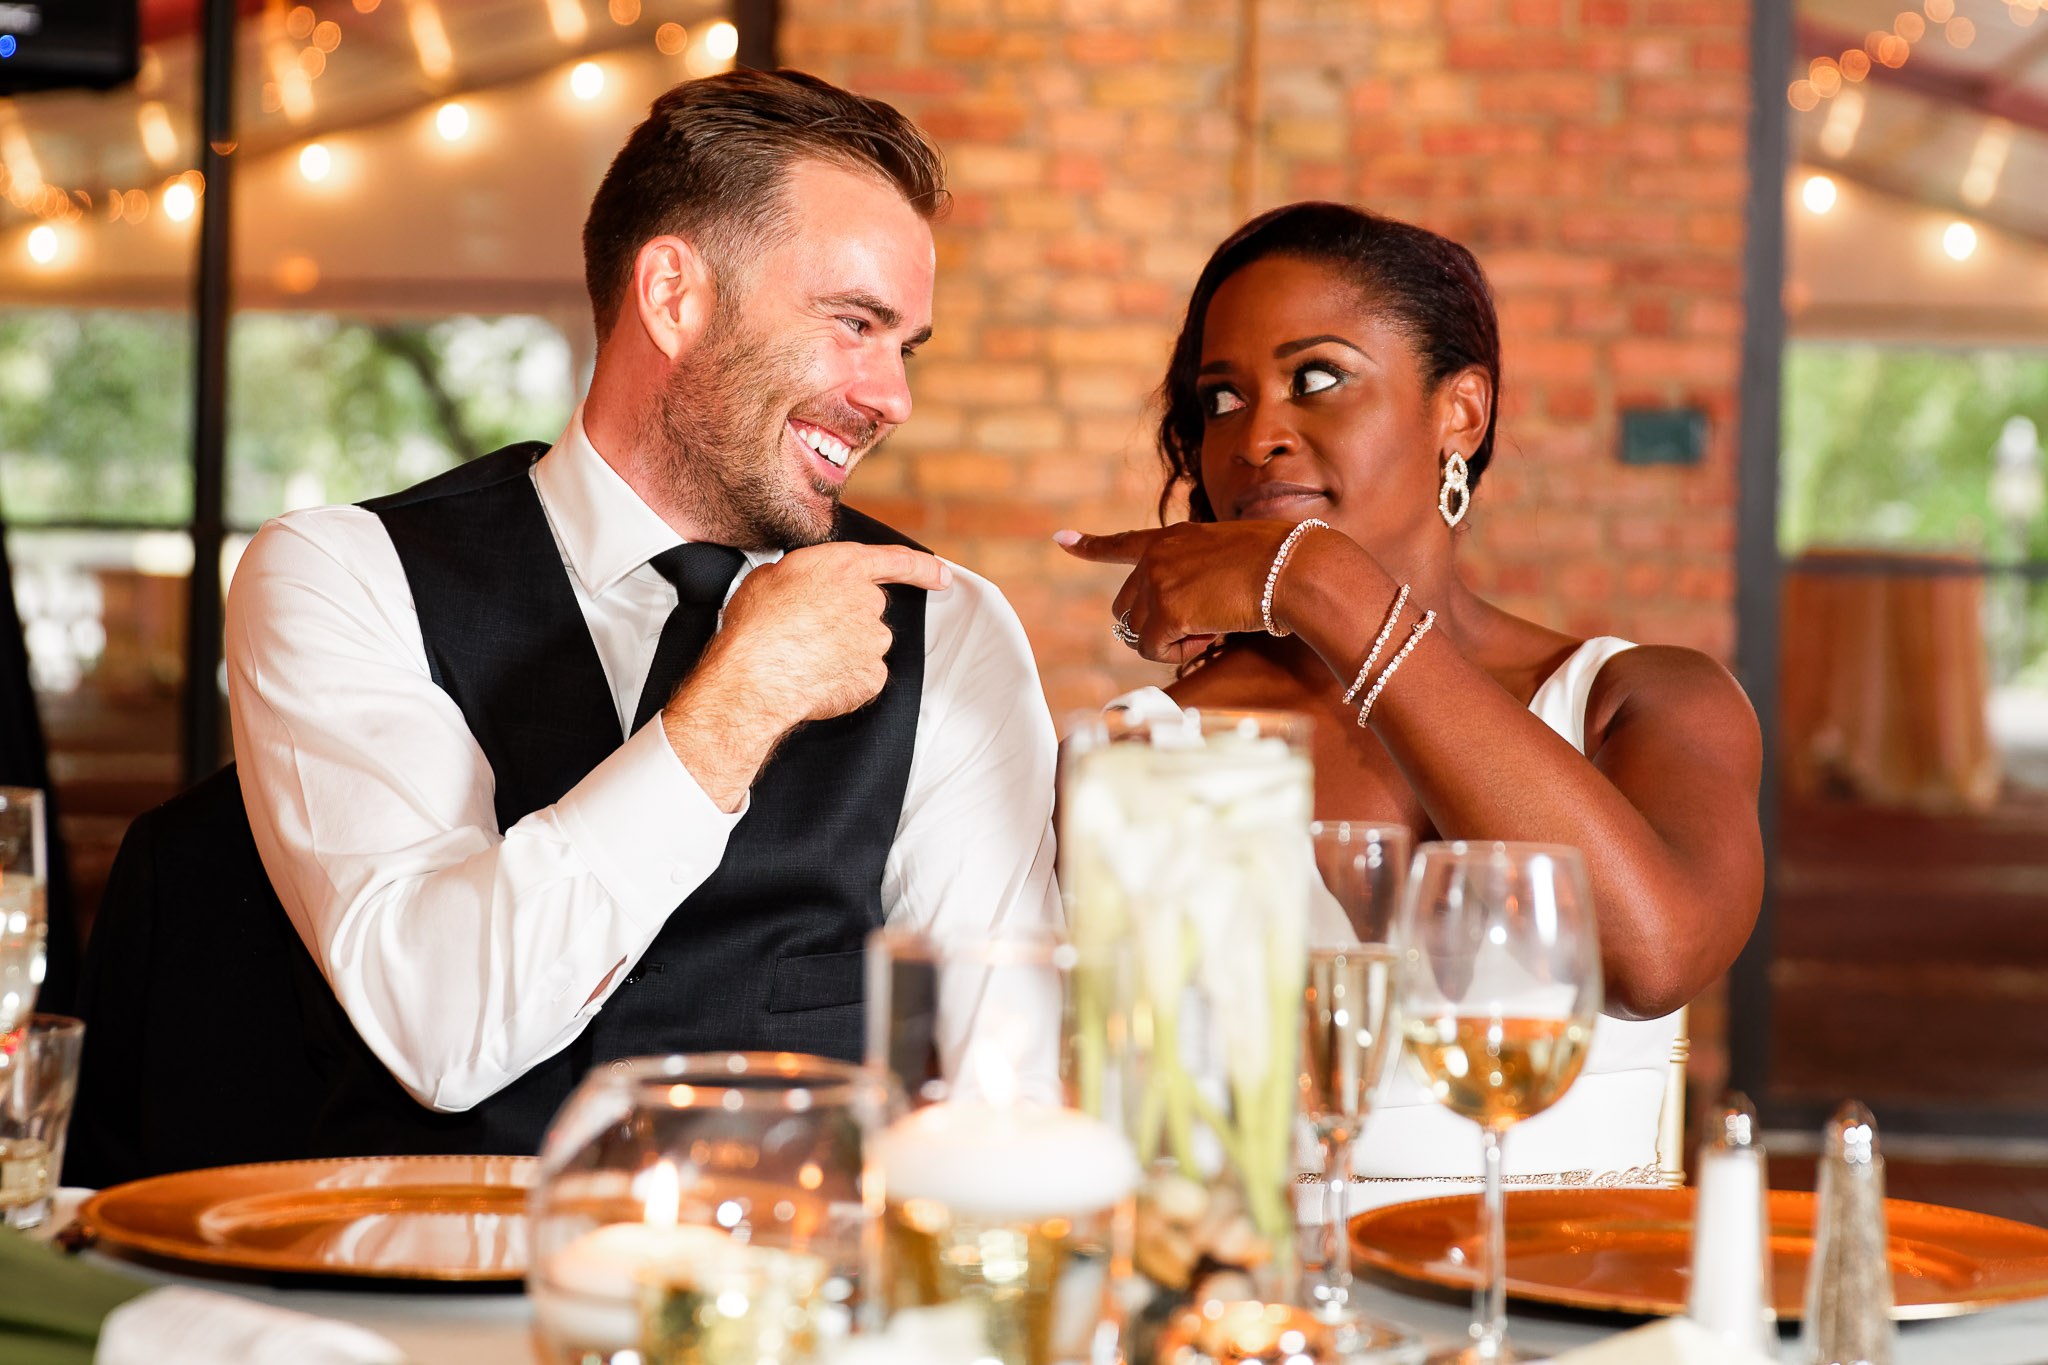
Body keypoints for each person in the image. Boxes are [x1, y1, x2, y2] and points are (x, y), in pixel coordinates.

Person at [222, 69, 1059, 1156]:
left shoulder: (946, 628)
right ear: (674, 295)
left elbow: (1002, 1089)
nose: (890, 395)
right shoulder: (341, 573)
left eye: (905, 347)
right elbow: (437, 1029)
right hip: (432, 1305)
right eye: (854, 322)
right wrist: (735, 703)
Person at [1057, 201, 1763, 1199]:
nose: (1256, 436)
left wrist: (1327, 592)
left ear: (1458, 413)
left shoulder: (1640, 700)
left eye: (1317, 379)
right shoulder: (1147, 752)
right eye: (1220, 399)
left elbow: (1651, 956)